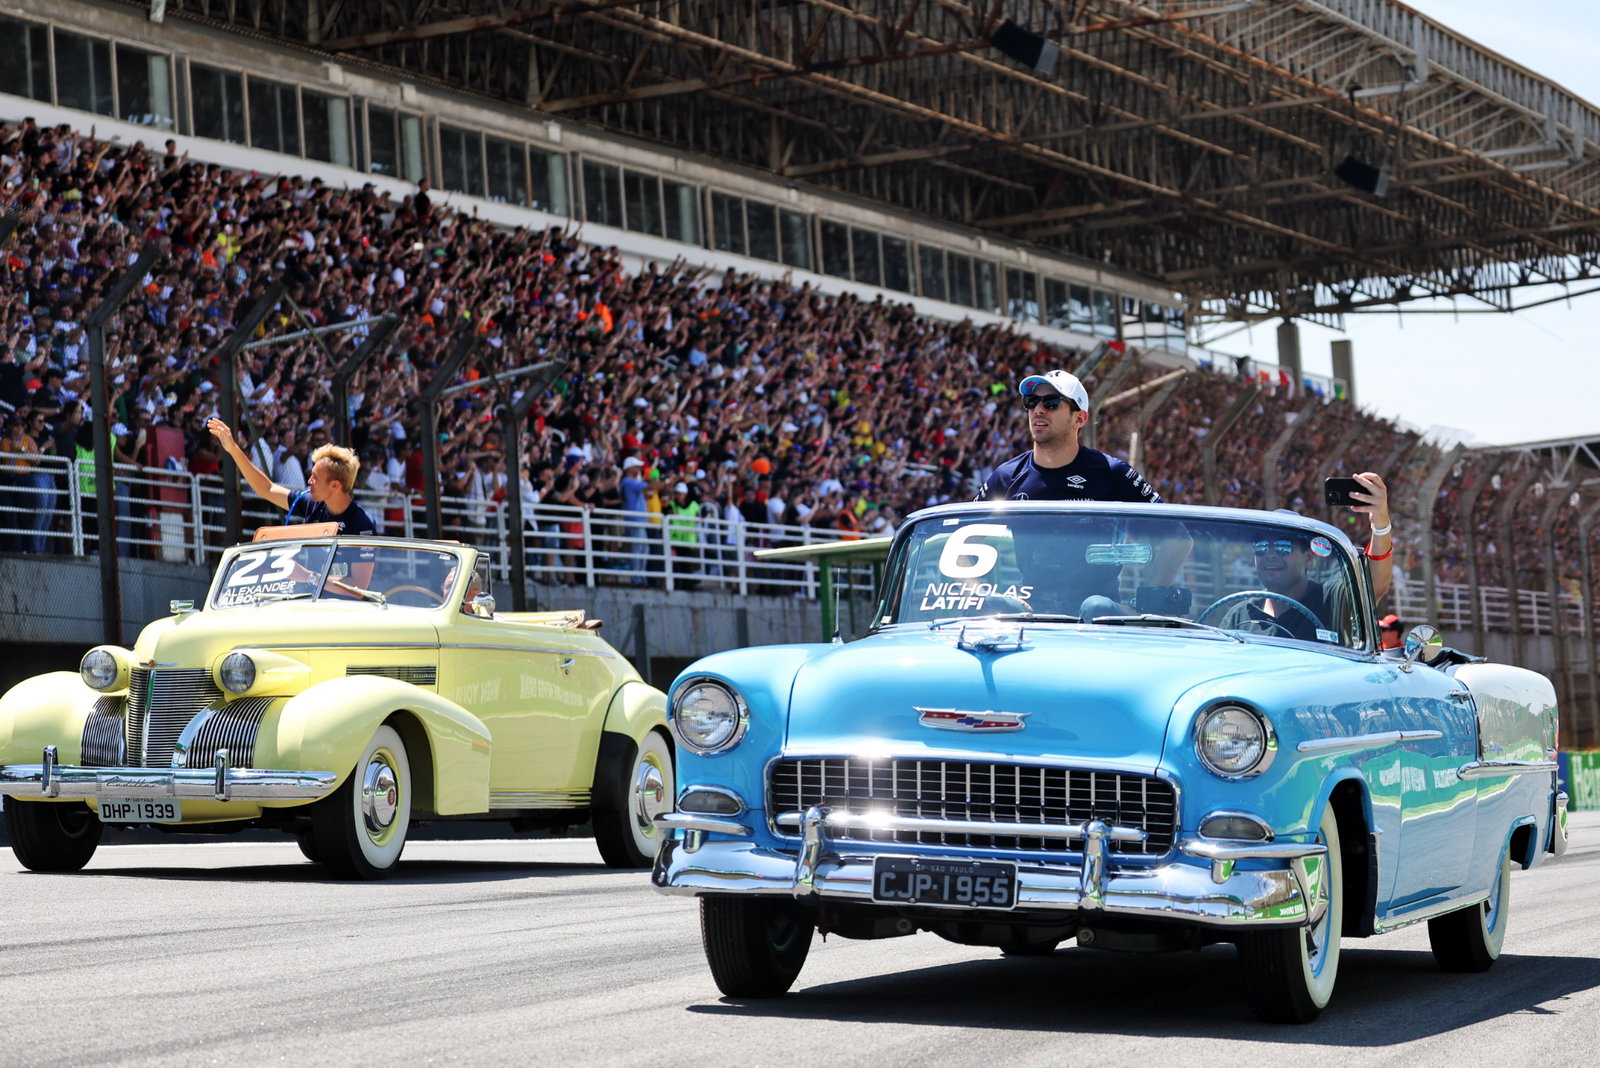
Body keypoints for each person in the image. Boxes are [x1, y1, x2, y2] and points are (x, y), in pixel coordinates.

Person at [979, 369, 1190, 615]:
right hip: (1030, 609)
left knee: (1095, 607)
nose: (1038, 409)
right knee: (996, 608)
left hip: (1098, 614)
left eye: (1051, 402)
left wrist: (1142, 602)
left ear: (1079, 419)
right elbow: (957, 540)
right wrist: (979, 593)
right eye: (1031, 402)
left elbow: (1178, 539)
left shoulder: (1111, 472)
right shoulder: (1007, 477)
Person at [207, 416, 376, 535]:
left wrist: (306, 575)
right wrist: (233, 449)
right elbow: (267, 489)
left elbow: (357, 583)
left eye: (315, 478)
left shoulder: (362, 524)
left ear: (335, 485)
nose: (309, 481)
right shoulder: (311, 504)